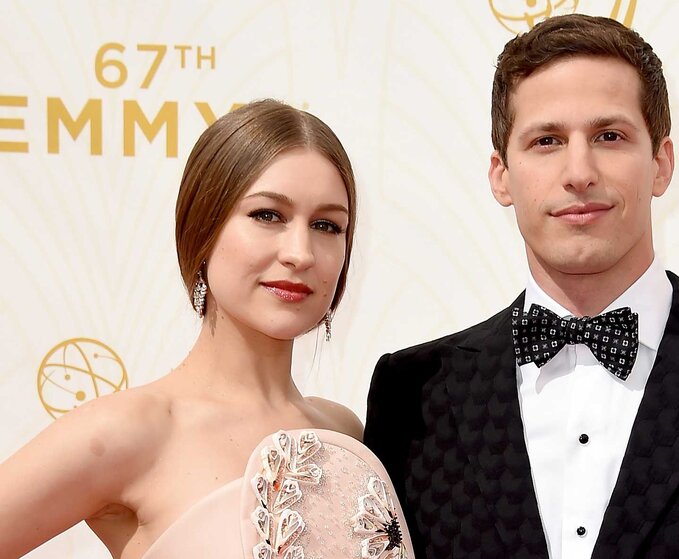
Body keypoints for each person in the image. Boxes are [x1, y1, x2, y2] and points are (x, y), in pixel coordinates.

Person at [364, 14, 679, 559]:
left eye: (609, 136)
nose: (579, 171)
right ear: (500, 175)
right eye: (546, 140)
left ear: (661, 164)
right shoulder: (412, 395)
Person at [0, 100, 414, 559]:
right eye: (267, 215)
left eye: (326, 225)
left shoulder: (343, 432)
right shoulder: (128, 433)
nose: (301, 252)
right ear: (203, 226)